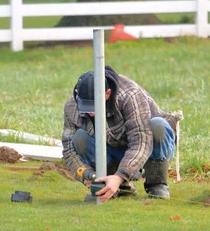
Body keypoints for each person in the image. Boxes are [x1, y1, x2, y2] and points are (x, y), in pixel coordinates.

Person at [62, 66, 180, 203]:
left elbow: (141, 141)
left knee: (158, 125)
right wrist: (87, 174)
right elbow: (68, 149)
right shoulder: (71, 106)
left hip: (146, 146)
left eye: (95, 106)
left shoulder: (131, 96)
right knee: (79, 138)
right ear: (77, 93)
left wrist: (120, 175)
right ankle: (119, 187)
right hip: (112, 147)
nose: (91, 112)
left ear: (107, 93)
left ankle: (157, 183)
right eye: (86, 106)